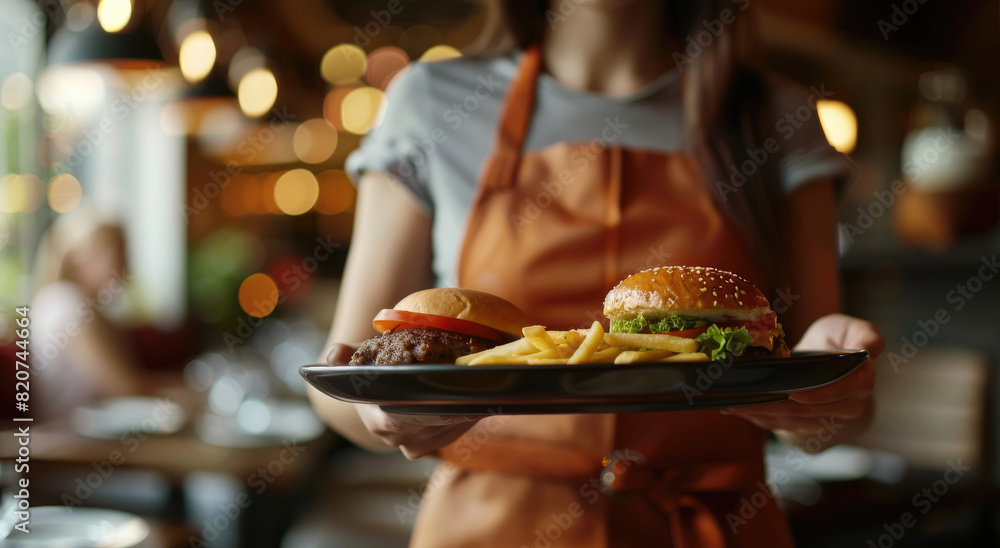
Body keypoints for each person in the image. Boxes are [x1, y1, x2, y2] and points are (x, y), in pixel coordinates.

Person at [308, 1, 883, 546]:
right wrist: (379, 411)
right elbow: (344, 377)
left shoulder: (778, 115)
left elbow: (817, 379)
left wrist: (828, 404)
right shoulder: (430, 100)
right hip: (487, 525)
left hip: (712, 523)